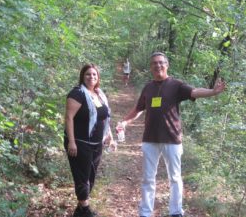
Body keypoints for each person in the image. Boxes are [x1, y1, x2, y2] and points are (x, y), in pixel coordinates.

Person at [117, 52, 226, 217]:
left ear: (167, 65)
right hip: (150, 140)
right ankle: (145, 212)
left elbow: (195, 92)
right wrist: (125, 122)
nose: (158, 65)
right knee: (148, 179)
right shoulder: (148, 87)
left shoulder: (176, 85)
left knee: (175, 178)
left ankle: (176, 212)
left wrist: (213, 92)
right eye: (154, 63)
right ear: (151, 67)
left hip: (172, 139)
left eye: (161, 62)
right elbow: (139, 109)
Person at [64, 63, 115, 217]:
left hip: (96, 144)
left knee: (90, 176)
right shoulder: (77, 93)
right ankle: (85, 210)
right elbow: (69, 118)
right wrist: (71, 141)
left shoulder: (99, 94)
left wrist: (110, 136)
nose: (91, 77)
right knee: (82, 176)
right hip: (79, 143)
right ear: (82, 76)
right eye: (88, 74)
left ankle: (79, 210)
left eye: (94, 74)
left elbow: (104, 117)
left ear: (98, 77)